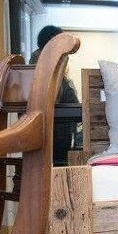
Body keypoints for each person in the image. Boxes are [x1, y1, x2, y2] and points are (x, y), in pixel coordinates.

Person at [30, 25, 79, 163]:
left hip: (58, 126)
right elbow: (52, 97)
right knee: (54, 162)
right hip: (51, 128)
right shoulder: (41, 64)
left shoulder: (40, 60)